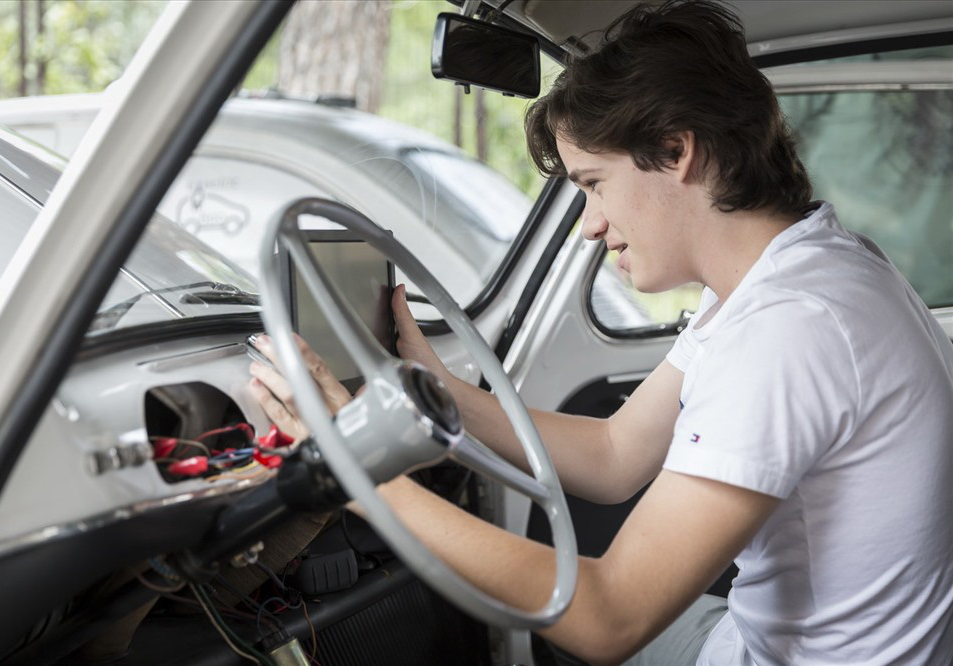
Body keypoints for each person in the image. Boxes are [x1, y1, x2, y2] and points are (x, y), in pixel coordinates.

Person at [249, 1, 953, 663]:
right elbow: (618, 456)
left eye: (594, 184)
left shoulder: (790, 330)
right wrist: (443, 394)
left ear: (676, 151)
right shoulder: (797, 272)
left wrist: (354, 472)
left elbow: (607, 618)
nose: (589, 223)